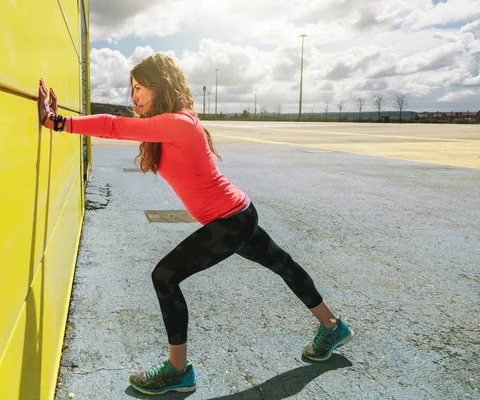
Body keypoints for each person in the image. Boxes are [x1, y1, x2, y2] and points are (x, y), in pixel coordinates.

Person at [38, 53, 353, 396]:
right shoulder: (171, 124)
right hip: (237, 215)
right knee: (282, 264)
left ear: (161, 86)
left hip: (231, 220)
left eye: (140, 88)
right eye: (132, 89)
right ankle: (332, 326)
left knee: (165, 276)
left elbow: (115, 126)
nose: (134, 98)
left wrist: (57, 122)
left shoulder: (179, 123)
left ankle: (178, 370)